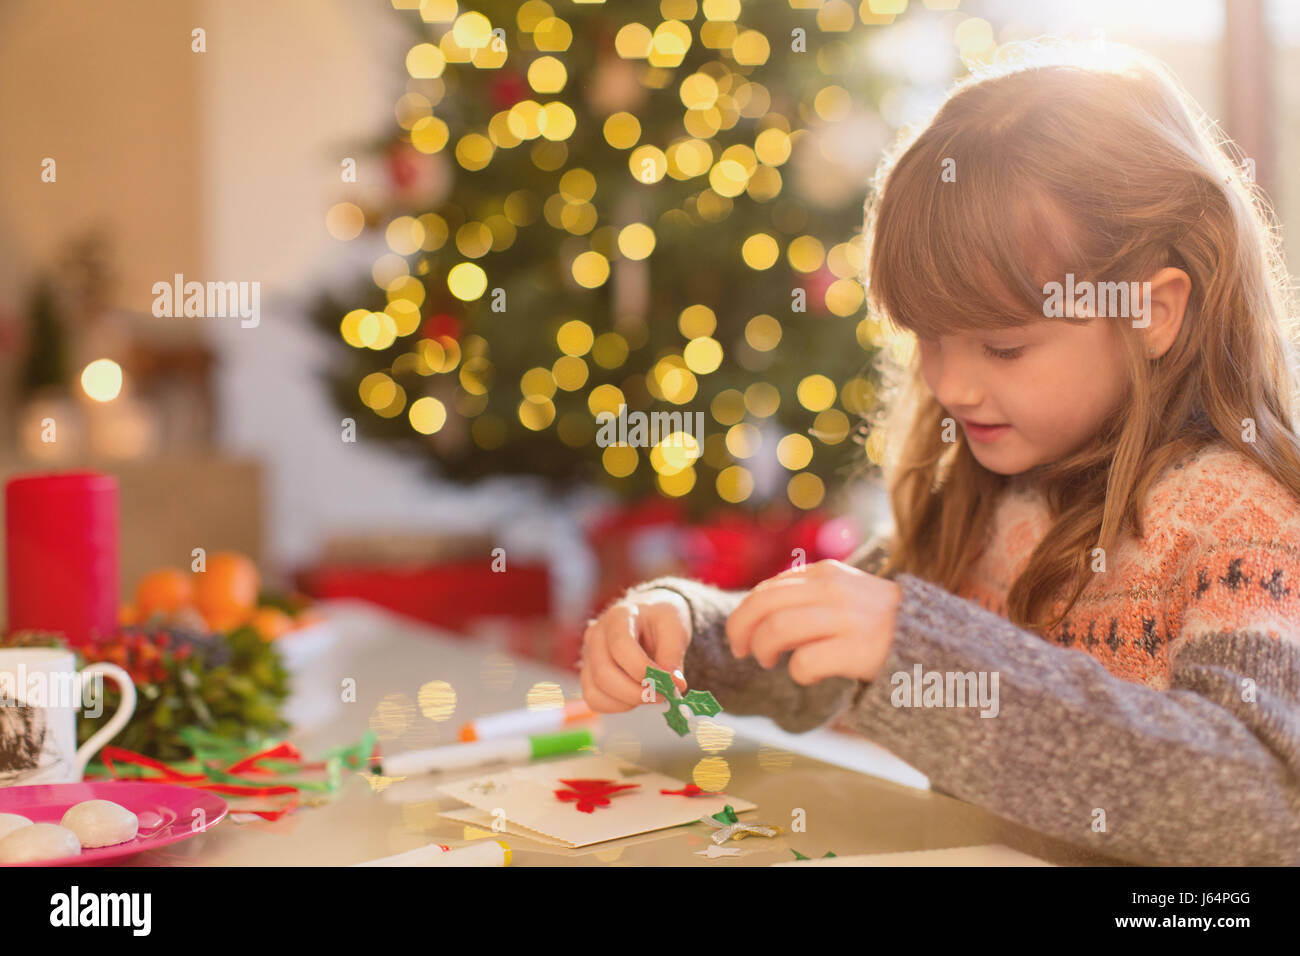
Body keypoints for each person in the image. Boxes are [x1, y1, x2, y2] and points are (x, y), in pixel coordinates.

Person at [578, 42, 1300, 866]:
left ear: (1151, 311)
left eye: (1000, 348)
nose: (951, 385)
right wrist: (686, 629)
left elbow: (1262, 809)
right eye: (929, 339)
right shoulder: (1000, 486)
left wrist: (926, 650)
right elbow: (820, 660)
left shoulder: (1243, 522)